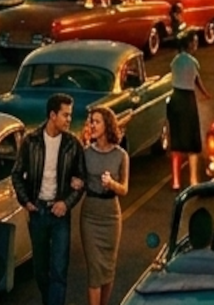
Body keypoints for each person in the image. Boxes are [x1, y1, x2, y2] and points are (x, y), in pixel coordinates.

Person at [11, 94, 85, 305]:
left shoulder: (73, 144)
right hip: (38, 211)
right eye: (65, 115)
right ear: (53, 115)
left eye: (70, 115)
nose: (69, 120)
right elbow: (16, 174)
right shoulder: (31, 142)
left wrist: (67, 203)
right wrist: (26, 202)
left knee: (60, 270)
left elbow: (82, 179)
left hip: (60, 213)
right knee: (41, 270)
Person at [78, 106, 129, 305]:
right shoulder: (86, 153)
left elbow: (124, 189)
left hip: (111, 216)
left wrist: (112, 184)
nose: (92, 125)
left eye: (97, 121)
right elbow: (78, 180)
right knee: (94, 270)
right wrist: (77, 183)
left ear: (108, 125)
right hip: (90, 215)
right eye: (91, 121)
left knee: (108, 269)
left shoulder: (120, 155)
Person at [166, 33, 209, 187]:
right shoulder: (193, 62)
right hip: (187, 100)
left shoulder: (175, 61)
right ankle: (193, 180)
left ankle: (176, 182)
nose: (196, 45)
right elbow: (197, 81)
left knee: (176, 142)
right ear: (190, 44)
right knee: (192, 142)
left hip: (175, 99)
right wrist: (205, 94)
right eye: (195, 42)